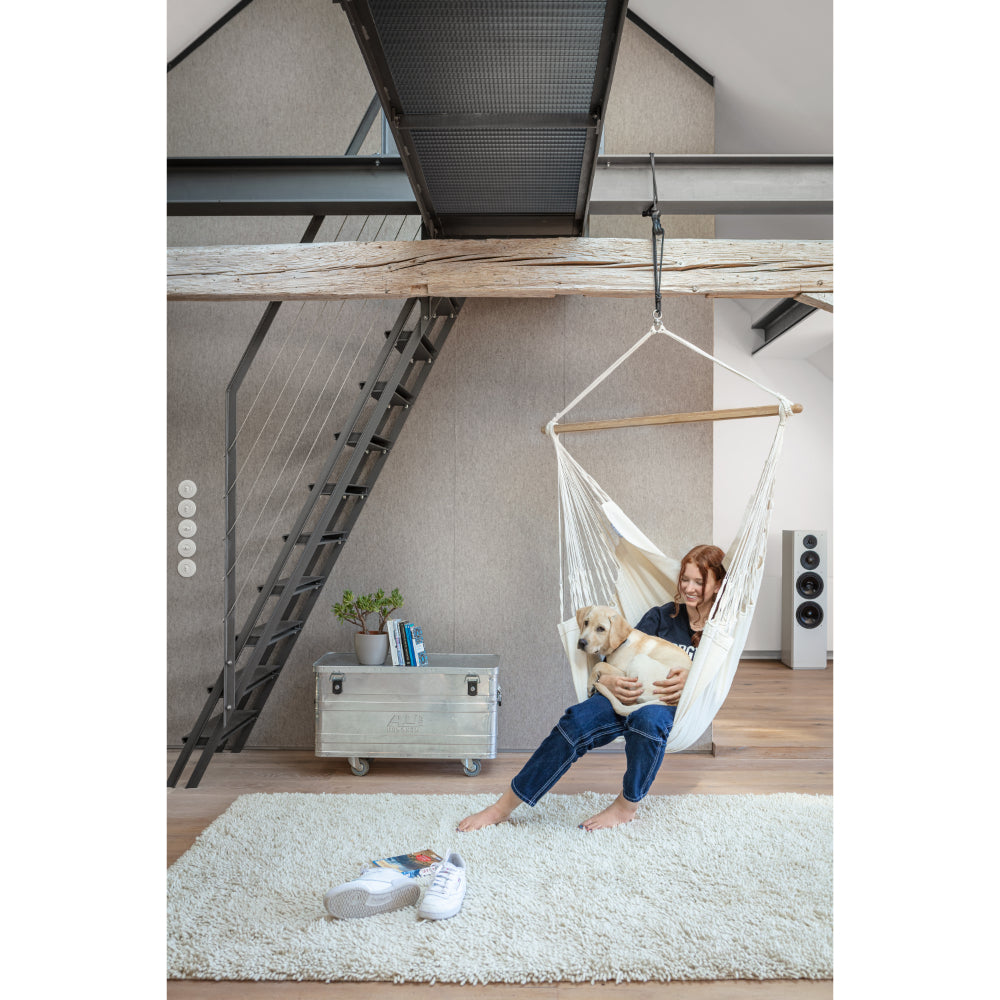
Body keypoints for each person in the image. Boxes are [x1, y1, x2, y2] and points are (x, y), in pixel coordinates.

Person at [457, 544, 726, 833]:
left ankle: (626, 806)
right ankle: (503, 807)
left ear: (717, 585)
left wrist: (691, 679)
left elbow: (715, 681)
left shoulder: (719, 632)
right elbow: (624, 652)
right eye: (685, 579)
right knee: (575, 721)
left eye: (699, 581)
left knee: (645, 722)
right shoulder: (661, 618)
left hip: (671, 707)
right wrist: (605, 680)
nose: (689, 587)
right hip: (622, 692)